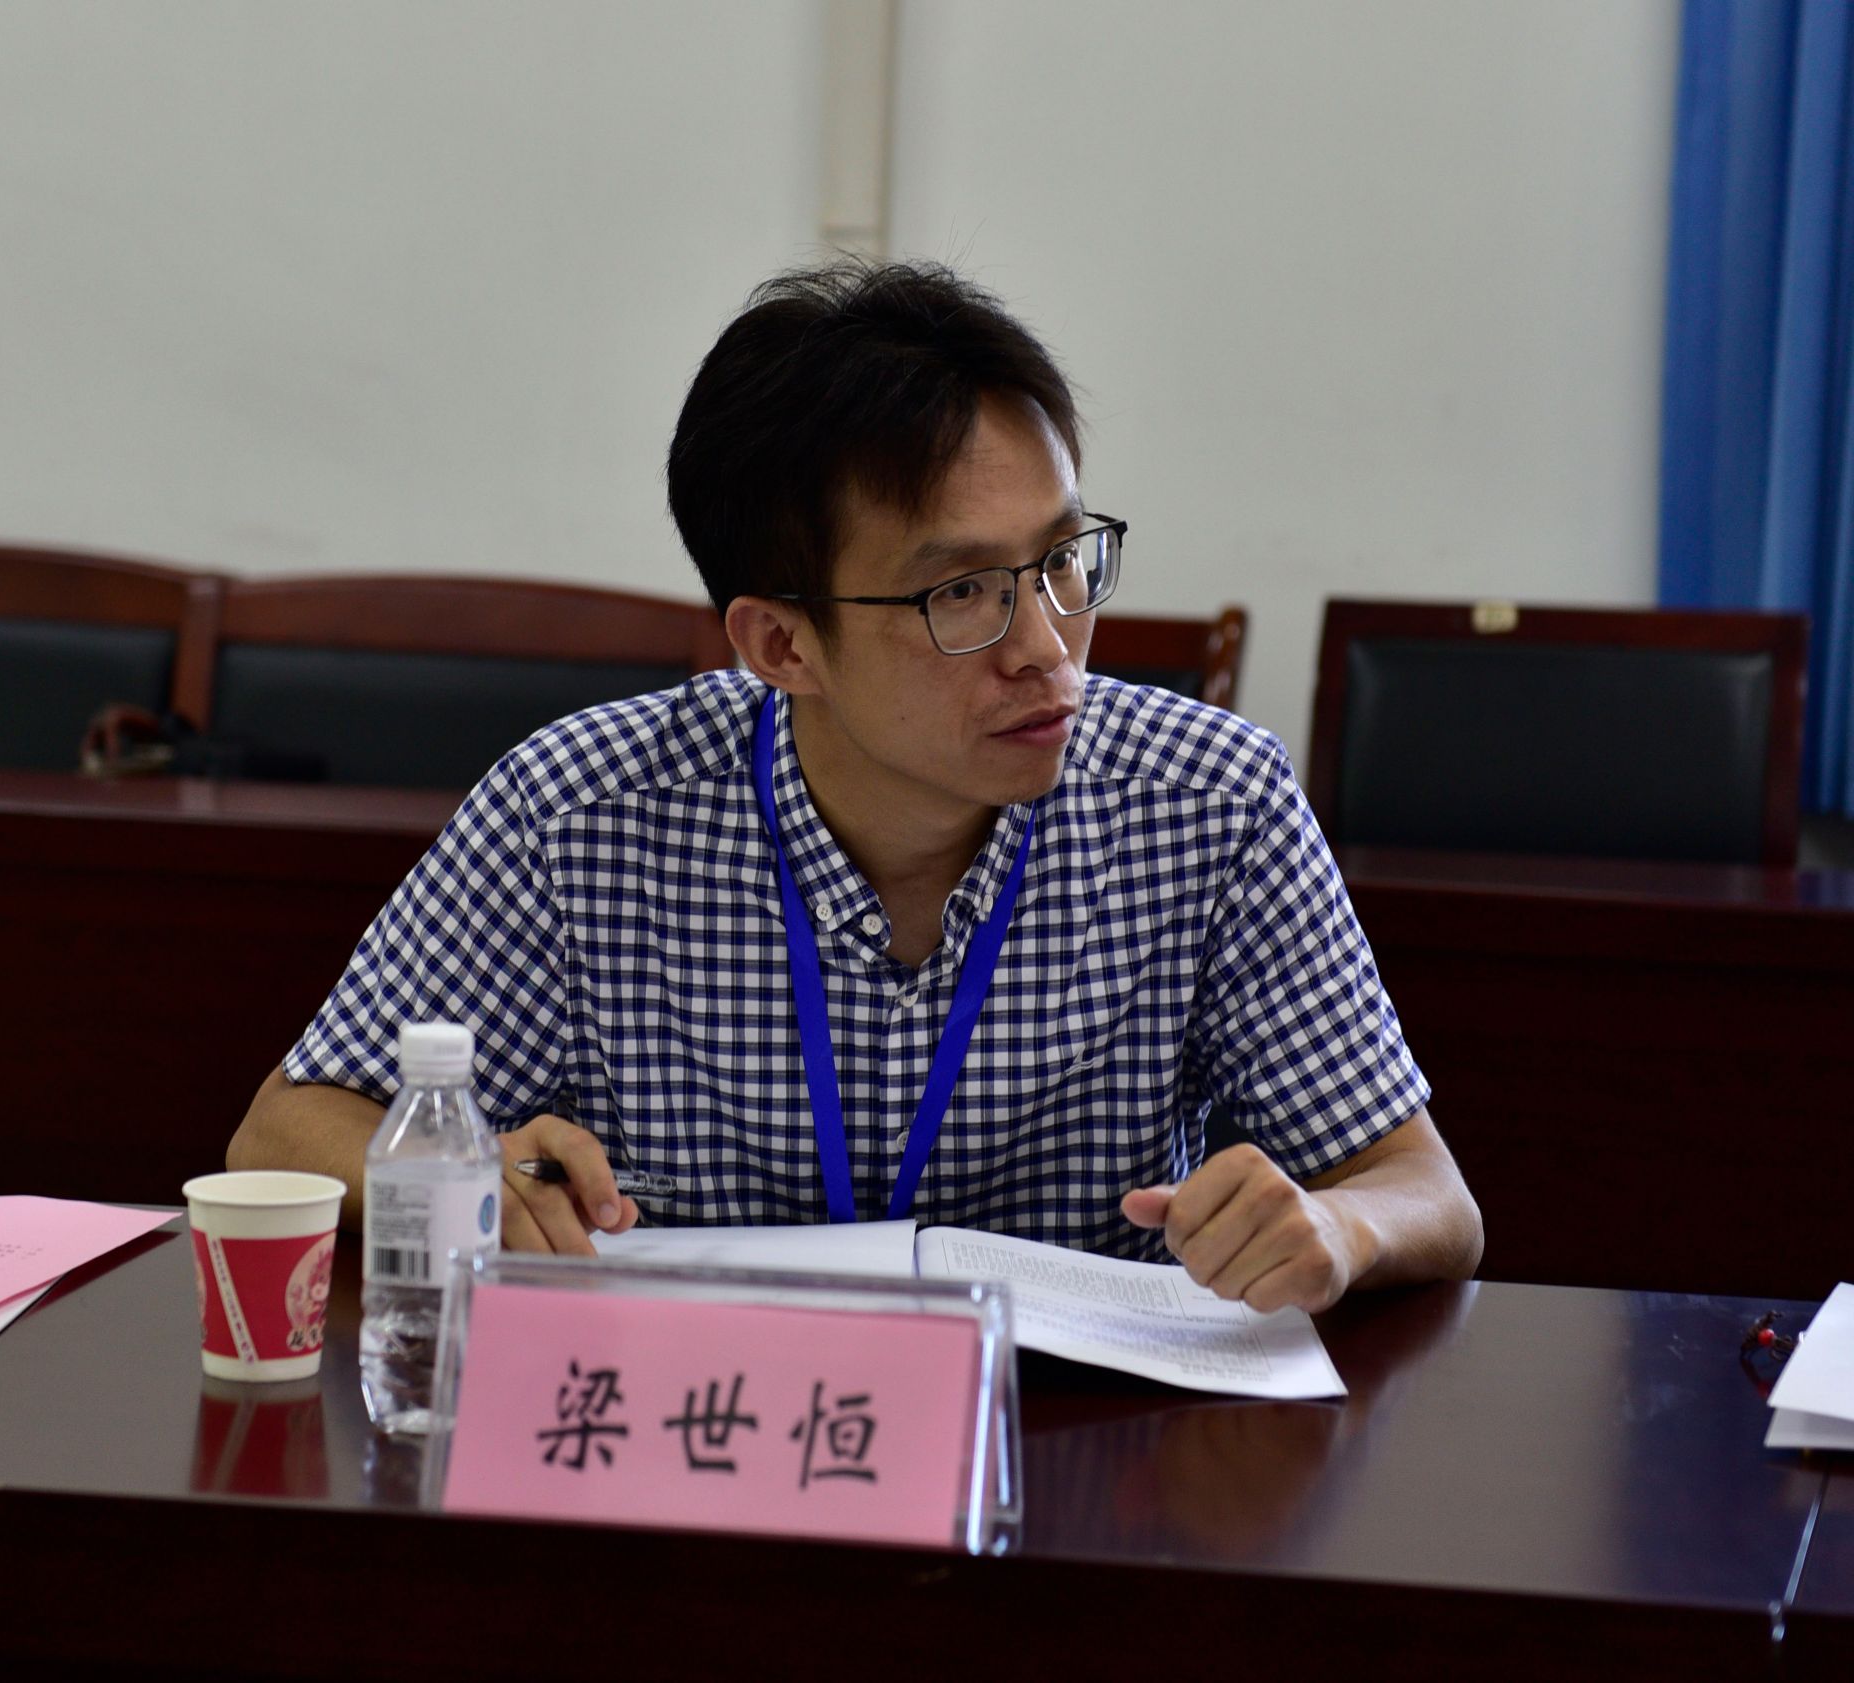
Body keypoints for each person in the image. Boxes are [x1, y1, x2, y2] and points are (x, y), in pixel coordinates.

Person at [229, 258, 1483, 1313]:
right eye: (960, 593)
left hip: (1084, 1459)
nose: (1045, 645)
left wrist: (1336, 1229)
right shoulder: (576, 815)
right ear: (781, 646)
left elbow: (1424, 1192)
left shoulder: (1209, 805)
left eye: (1061, 561)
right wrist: (466, 1180)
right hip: (709, 1457)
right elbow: (286, 1130)